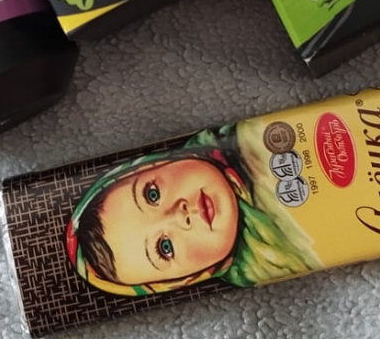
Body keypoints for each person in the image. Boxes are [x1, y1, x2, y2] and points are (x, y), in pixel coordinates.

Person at [66, 119, 320, 297]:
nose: (180, 215)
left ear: (154, 164)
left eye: (152, 195)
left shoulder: (245, 135)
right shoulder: (269, 262)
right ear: (187, 278)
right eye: (165, 248)